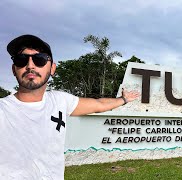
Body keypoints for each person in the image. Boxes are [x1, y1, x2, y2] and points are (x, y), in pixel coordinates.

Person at [0, 34, 140, 179]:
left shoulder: (60, 101)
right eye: (21, 60)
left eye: (39, 59)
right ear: (13, 69)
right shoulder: (3, 111)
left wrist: (123, 99)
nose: (30, 65)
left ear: (52, 68)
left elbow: (98, 104)